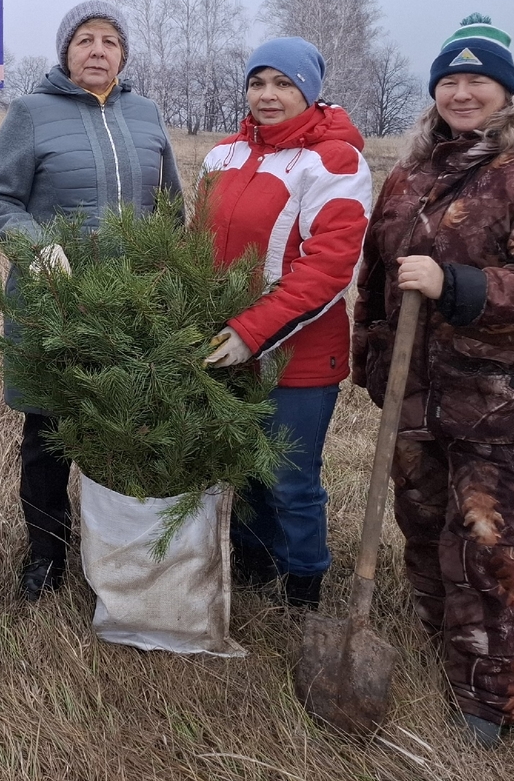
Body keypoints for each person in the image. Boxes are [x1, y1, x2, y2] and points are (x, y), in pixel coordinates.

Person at [351, 15, 514, 747]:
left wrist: (454, 284)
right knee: (423, 530)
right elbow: (375, 276)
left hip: (499, 401)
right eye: (450, 82)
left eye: (477, 81)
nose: (462, 93)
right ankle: (442, 655)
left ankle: (486, 704)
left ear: (507, 92)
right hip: (413, 391)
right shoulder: (412, 176)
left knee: (485, 547)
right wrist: (371, 357)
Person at [0, 0, 182, 599]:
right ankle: (45, 556)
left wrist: (167, 272)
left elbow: (170, 208)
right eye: (85, 40)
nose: (98, 50)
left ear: (124, 55)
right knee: (48, 436)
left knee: (124, 430)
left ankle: (117, 555)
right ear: (66, 52)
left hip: (132, 306)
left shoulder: (146, 115)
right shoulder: (31, 113)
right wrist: (36, 250)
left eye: (109, 41)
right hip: (56, 305)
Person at [197, 38, 371, 610]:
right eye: (258, 83)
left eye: (284, 84)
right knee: (243, 467)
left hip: (299, 356)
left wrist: (251, 332)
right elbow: (194, 246)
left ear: (310, 92)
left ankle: (303, 588)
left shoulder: (335, 162)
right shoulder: (223, 155)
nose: (267, 95)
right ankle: (252, 567)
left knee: (290, 478)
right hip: (224, 344)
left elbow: (326, 269)